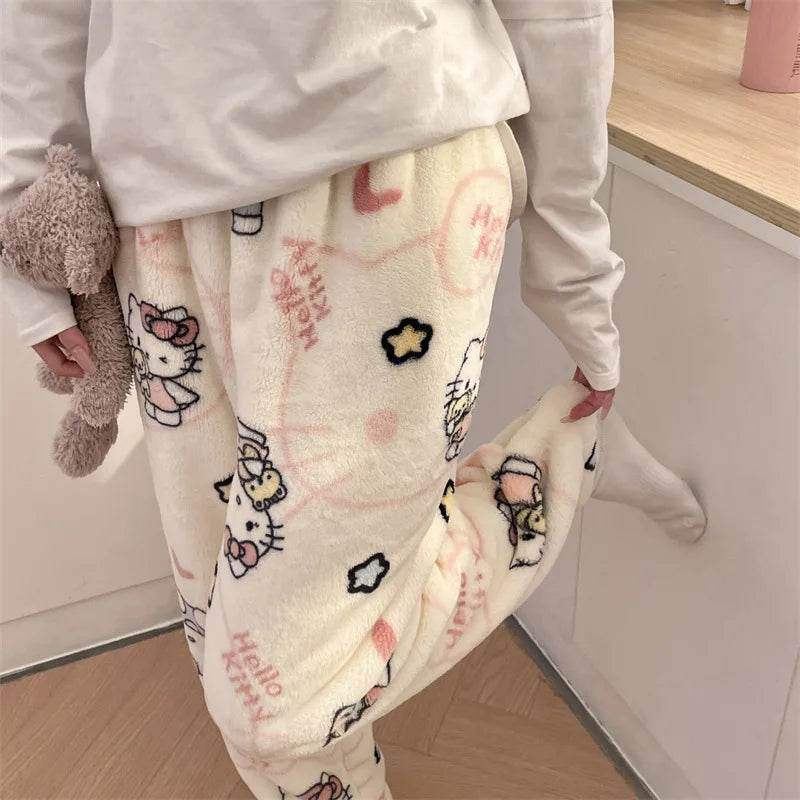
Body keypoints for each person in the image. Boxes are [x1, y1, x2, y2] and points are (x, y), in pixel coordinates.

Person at [1, 2, 705, 797]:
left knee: (279, 700)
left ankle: (566, 459)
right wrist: (25, 226)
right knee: (223, 634)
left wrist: (573, 270)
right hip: (153, 221)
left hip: (387, 176)